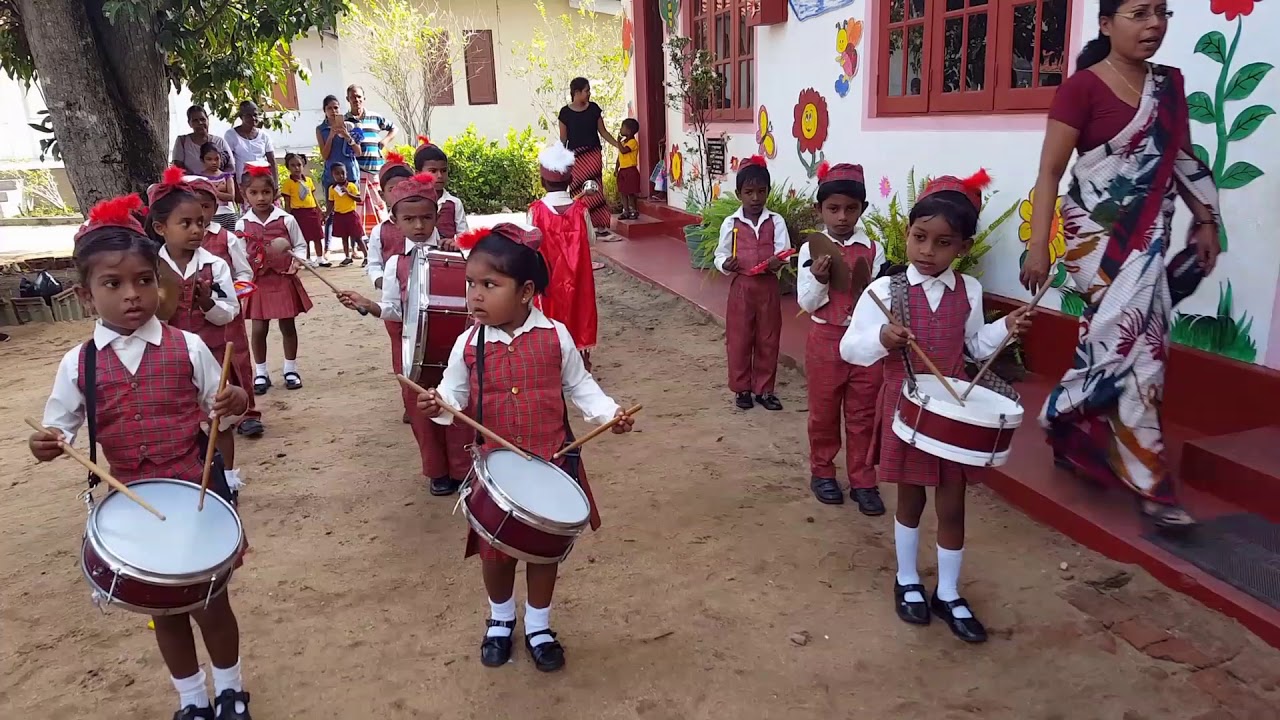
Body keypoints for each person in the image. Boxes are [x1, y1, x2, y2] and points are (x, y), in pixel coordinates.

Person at [28, 193, 254, 720]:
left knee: (211, 603)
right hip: (131, 502)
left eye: (144, 281)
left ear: (159, 283)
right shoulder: (77, 364)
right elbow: (56, 429)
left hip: (196, 494)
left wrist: (235, 400)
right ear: (87, 297)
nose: (133, 295)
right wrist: (44, 444)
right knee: (166, 611)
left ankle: (230, 690)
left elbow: (224, 409)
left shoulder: (189, 346)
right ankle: (192, 699)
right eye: (113, 285)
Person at [1021, 0, 1220, 531]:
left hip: (1148, 242)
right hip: (1096, 244)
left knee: (1128, 345)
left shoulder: (1170, 89)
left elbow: (1181, 160)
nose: (1154, 24)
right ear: (1106, 24)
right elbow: (1050, 174)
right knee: (1135, 349)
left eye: (1162, 12)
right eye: (1139, 13)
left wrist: (1207, 221)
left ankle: (1072, 423)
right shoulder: (1081, 88)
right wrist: (1038, 247)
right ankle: (1144, 477)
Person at [411, 223, 635, 672]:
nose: (474, 295)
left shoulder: (556, 335)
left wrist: (609, 414)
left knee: (542, 552)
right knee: (494, 552)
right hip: (496, 471)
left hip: (551, 462)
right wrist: (439, 403)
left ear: (526, 291)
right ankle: (500, 619)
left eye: (489, 285)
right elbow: (452, 394)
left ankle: (538, 624)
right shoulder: (467, 342)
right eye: (470, 284)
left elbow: (581, 386)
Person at [841, 171, 1032, 644]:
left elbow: (971, 347)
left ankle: (947, 591)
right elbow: (850, 347)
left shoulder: (969, 291)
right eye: (919, 238)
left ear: (963, 248)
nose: (928, 251)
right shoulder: (884, 293)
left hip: (954, 414)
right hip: (906, 411)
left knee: (952, 504)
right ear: (906, 235)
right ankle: (907, 579)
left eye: (943, 243)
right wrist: (882, 338)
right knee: (909, 499)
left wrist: (1004, 328)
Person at [337, 173, 473, 496]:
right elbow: (394, 311)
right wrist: (369, 304)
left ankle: (463, 468)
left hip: (454, 346)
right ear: (395, 222)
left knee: (458, 403)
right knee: (420, 405)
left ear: (438, 216)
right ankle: (437, 471)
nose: (419, 226)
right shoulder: (395, 262)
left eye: (426, 218)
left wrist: (462, 254)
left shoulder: (455, 253)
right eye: (409, 219)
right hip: (413, 346)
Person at [145, 168, 247, 495]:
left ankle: (228, 478)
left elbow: (230, 310)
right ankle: (184, 478)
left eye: (200, 222)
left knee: (221, 417)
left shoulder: (215, 265)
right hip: (169, 358)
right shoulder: (149, 268)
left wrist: (207, 304)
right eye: (185, 224)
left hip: (212, 352)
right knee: (177, 416)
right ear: (161, 228)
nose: (196, 230)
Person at [796, 162, 886, 514]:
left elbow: (879, 299)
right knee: (823, 411)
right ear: (820, 210)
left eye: (851, 209)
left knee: (864, 413)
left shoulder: (873, 250)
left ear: (862, 209)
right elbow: (806, 302)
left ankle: (864, 479)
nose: (842, 217)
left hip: (865, 342)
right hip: (825, 340)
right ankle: (823, 472)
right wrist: (819, 280)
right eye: (833, 209)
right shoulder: (812, 249)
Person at [184, 174, 264, 438]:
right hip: (191, 320)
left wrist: (234, 294)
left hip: (228, 314)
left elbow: (244, 273)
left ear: (215, 208)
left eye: (205, 207)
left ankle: (247, 412)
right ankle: (207, 417)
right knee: (199, 364)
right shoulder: (175, 244)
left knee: (237, 360)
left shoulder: (227, 239)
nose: (199, 213)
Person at [714, 156, 789, 411]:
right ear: (738, 194)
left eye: (761, 192)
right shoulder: (731, 223)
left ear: (768, 192)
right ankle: (742, 388)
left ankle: (764, 389)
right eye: (749, 192)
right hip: (742, 288)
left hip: (768, 287)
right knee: (739, 338)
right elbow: (720, 255)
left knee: (768, 338)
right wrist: (726, 264)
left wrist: (779, 262)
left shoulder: (775, 221)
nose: (755, 198)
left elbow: (784, 252)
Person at [236, 162, 313, 394]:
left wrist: (297, 262)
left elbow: (300, 246)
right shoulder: (242, 224)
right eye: (254, 193)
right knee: (259, 329)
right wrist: (243, 283)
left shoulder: (286, 219)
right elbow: (239, 256)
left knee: (287, 326)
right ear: (244, 194)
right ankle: (261, 373)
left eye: (266, 192)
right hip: (257, 284)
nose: (260, 197)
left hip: (282, 279)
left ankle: (291, 369)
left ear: (275, 192)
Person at [528, 143, 597, 368]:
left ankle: (550, 356)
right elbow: (592, 240)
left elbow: (529, 244)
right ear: (570, 181)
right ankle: (581, 358)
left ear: (542, 181)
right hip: (578, 276)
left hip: (547, 277)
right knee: (580, 311)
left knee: (547, 312)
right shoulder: (581, 210)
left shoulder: (535, 210)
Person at [558, 77, 623, 237]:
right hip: (575, 157)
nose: (589, 94)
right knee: (577, 190)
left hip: (593, 154)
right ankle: (579, 225)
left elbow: (603, 132)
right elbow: (563, 139)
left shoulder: (594, 109)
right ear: (577, 92)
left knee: (595, 189)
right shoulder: (565, 113)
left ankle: (600, 226)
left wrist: (617, 145)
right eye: (586, 91)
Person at [345, 84, 397, 235]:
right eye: (353, 97)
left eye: (359, 97)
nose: (356, 100)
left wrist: (385, 141)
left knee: (379, 205)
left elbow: (394, 128)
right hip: (356, 171)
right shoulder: (345, 121)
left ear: (364, 99)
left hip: (376, 170)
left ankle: (385, 235)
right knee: (358, 208)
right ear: (348, 99)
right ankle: (360, 241)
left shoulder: (374, 117)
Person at [413, 136, 468, 246]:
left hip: (444, 260)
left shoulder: (454, 203)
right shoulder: (410, 202)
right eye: (433, 171)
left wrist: (455, 244)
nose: (439, 176)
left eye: (443, 171)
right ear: (418, 173)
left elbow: (465, 237)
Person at [281, 153, 327, 264]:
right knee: (304, 237)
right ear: (288, 167)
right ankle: (307, 259)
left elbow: (312, 196)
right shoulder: (288, 183)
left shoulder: (309, 181)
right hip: (299, 213)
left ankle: (320, 258)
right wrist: (287, 215)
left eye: (299, 165)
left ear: (303, 165)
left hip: (312, 211)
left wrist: (319, 210)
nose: (296, 168)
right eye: (293, 165)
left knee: (317, 235)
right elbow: (287, 202)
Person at [223, 101, 277, 186]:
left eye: (255, 115)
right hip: (243, 183)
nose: (253, 118)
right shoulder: (231, 135)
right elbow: (229, 163)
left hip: (263, 182)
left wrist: (275, 185)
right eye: (248, 115)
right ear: (241, 117)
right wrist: (234, 186)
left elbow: (272, 162)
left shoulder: (264, 136)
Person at [172, 105, 232, 175]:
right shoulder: (182, 141)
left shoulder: (219, 142)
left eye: (202, 119)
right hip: (191, 184)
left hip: (217, 184)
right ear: (189, 123)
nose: (200, 123)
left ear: (208, 120)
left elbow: (230, 167)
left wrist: (220, 179)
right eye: (195, 121)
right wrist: (196, 180)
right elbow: (177, 168)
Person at [326, 163, 366, 267]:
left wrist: (348, 193)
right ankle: (347, 257)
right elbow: (331, 203)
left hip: (351, 214)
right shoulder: (332, 189)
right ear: (332, 175)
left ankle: (366, 257)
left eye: (343, 173)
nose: (341, 176)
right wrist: (326, 214)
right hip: (339, 215)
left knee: (358, 237)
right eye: (337, 173)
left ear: (347, 173)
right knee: (344, 238)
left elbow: (359, 199)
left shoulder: (351, 186)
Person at [198, 143, 239, 229]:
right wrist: (219, 191)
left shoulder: (227, 176)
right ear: (202, 160)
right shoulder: (200, 179)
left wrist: (213, 190)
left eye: (217, 159)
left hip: (229, 215)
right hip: (211, 217)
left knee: (231, 239)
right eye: (209, 159)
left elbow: (231, 197)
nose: (213, 162)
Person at [615, 118, 642, 221]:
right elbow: (619, 156)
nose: (621, 129)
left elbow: (624, 151)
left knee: (630, 192)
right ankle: (625, 211)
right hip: (623, 170)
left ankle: (633, 210)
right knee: (623, 191)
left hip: (630, 170)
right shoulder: (623, 142)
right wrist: (616, 168)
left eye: (623, 127)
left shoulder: (632, 142)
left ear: (629, 131)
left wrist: (617, 141)